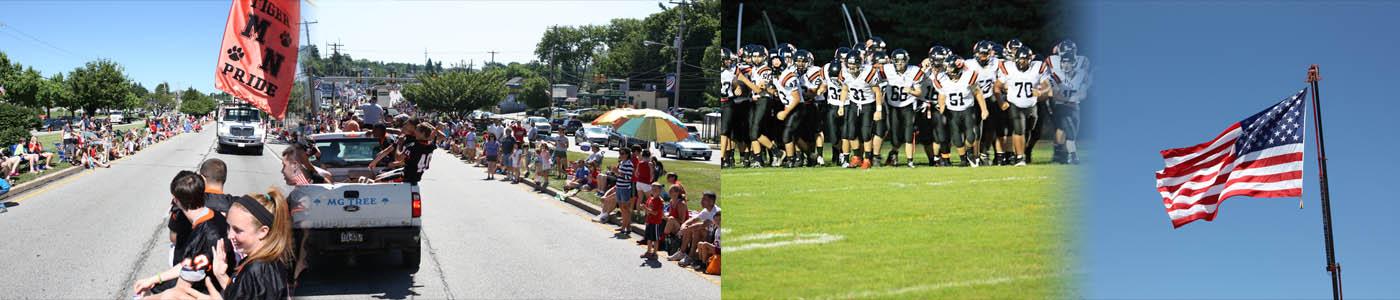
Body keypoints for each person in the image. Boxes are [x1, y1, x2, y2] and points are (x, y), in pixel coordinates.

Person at [170, 189, 295, 300]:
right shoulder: (263, 261)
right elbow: (242, 294)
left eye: (238, 230)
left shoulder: (258, 270)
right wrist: (221, 275)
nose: (230, 236)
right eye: (229, 227)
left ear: (263, 231)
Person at [132, 171, 237, 297]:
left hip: (208, 291)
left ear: (176, 200)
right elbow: (188, 264)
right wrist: (155, 279)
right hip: (213, 282)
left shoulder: (202, 236)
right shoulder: (216, 216)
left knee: (143, 293)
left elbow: (180, 290)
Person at [996, 48, 1052, 166]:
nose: (1021, 63)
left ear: (1030, 60)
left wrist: (1040, 91)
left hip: (1032, 105)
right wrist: (1001, 102)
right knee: (1019, 130)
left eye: (1024, 60)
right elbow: (997, 87)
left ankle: (1023, 152)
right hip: (1015, 104)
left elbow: (1048, 85)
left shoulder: (1038, 67)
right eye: (1019, 60)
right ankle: (1019, 157)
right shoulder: (1009, 68)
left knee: (1029, 130)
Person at [935, 54, 989, 167]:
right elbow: (942, 96)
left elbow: (978, 93)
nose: (947, 69)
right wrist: (942, 110)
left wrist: (984, 109)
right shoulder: (942, 79)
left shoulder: (968, 76)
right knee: (957, 139)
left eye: (949, 67)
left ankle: (969, 151)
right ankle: (963, 160)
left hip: (967, 110)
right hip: (952, 112)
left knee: (971, 136)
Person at [669, 191, 720, 265]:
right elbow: (694, 219)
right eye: (702, 199)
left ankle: (690, 256)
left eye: (704, 199)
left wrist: (686, 229)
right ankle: (682, 253)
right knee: (693, 229)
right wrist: (684, 224)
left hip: (715, 238)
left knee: (696, 230)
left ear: (711, 202)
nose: (701, 201)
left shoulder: (717, 212)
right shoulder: (706, 210)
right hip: (708, 235)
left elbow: (703, 225)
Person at [641, 182, 665, 260]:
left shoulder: (659, 201)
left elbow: (655, 213)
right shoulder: (650, 199)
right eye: (653, 189)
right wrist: (645, 211)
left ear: (660, 191)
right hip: (649, 221)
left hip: (655, 222)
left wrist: (646, 209)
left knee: (655, 238)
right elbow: (648, 210)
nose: (654, 191)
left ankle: (655, 253)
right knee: (649, 237)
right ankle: (648, 251)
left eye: (656, 189)